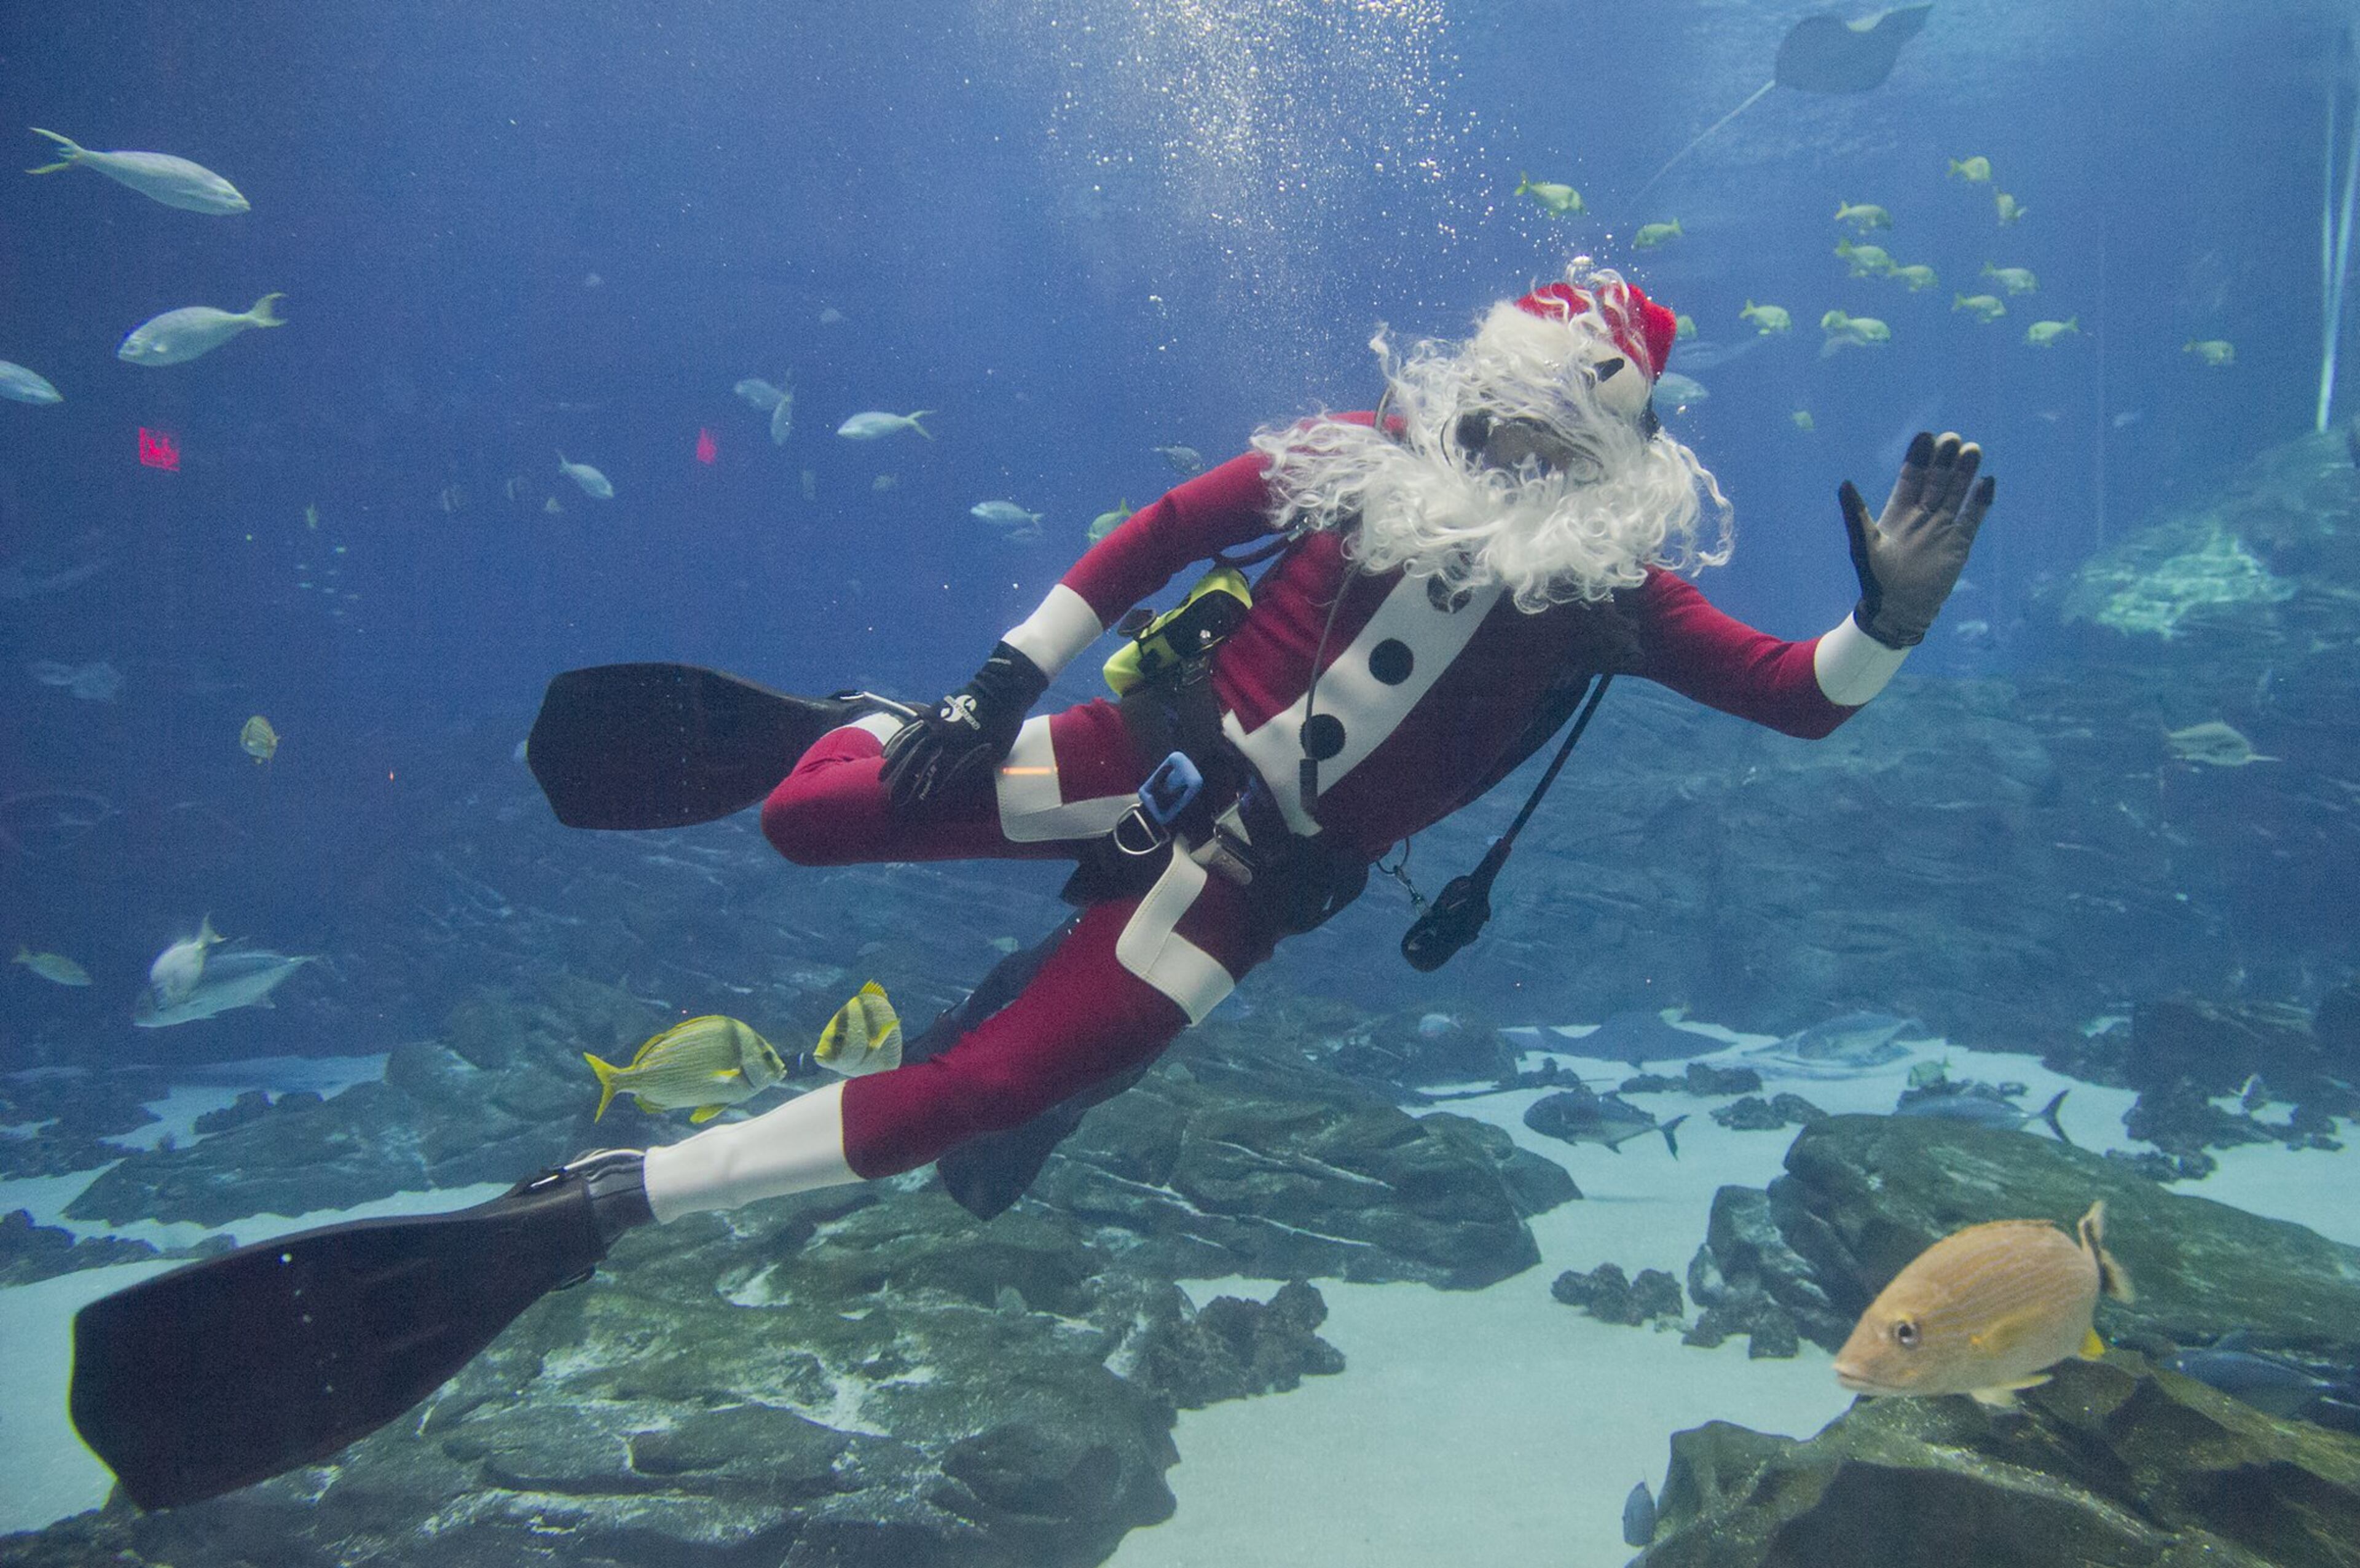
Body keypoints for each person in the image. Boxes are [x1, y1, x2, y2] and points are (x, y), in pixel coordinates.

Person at [594, 262, 1994, 1233]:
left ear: (1618, 456)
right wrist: (989, 688)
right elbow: (1161, 536)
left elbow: (1801, 693)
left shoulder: (1605, 593)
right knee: (802, 822)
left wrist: (1888, 619)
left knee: (999, 1089)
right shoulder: (1354, 453)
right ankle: (867, 725)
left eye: (1565, 445)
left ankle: (622, 1194)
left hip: (1257, 887)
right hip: (1138, 755)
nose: (1523, 460)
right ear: (1479, 389)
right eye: (1516, 421)